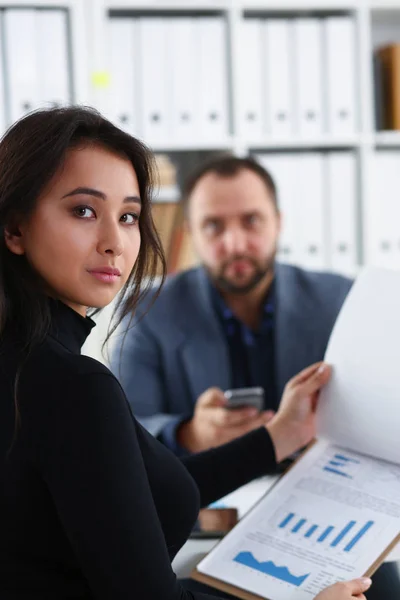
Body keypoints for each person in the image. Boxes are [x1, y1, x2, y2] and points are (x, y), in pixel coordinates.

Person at [0, 106, 379, 600]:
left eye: (130, 216)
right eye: (84, 211)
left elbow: (131, 489)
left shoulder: (31, 363)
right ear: (14, 228)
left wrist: (278, 436)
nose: (115, 242)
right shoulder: (71, 383)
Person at [110, 155, 353, 456]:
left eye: (251, 221)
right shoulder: (146, 311)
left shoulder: (340, 299)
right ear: (191, 233)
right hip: (206, 497)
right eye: (213, 225)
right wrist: (189, 434)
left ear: (278, 223)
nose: (236, 244)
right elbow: (122, 430)